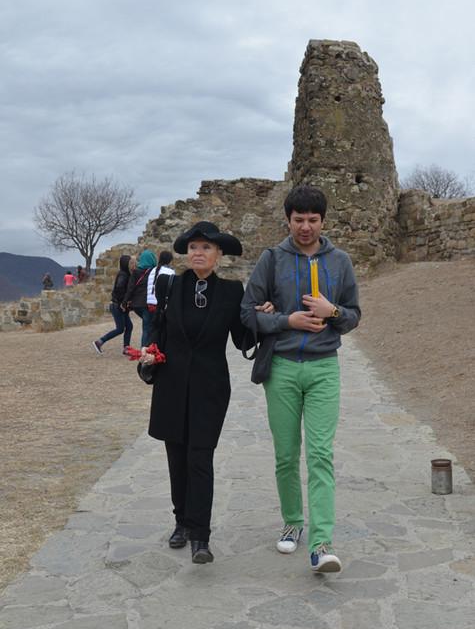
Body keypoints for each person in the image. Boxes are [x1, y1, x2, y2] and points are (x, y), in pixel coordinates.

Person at [241, 184, 361, 574]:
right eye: (298, 220)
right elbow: (247, 312)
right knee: (286, 454)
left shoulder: (340, 261)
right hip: (282, 367)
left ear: (323, 221)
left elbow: (354, 315)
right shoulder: (272, 259)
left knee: (321, 453)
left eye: (312, 220)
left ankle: (321, 543)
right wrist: (285, 320)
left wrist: (333, 311)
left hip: (324, 367)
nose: (305, 227)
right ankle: (292, 521)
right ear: (288, 220)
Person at [140, 222, 250, 564]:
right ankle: (182, 522)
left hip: (209, 388)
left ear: (219, 254)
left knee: (200, 459)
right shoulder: (169, 285)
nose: (198, 253)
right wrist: (148, 353)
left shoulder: (232, 291)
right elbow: (157, 329)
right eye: (193, 247)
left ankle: (201, 536)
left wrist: (261, 318)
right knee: (177, 458)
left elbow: (242, 340)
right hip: (171, 385)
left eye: (206, 247)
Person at [92, 255, 133, 355]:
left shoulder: (126, 274)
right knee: (120, 329)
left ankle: (126, 348)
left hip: (121, 306)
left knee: (129, 326)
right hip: (117, 306)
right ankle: (99, 342)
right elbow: (119, 289)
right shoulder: (123, 275)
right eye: (130, 263)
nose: (132, 265)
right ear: (125, 264)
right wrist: (123, 303)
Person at [122, 249, 157, 347]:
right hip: (147, 304)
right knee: (147, 327)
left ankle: (148, 347)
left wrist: (125, 302)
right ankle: (144, 349)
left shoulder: (136, 272)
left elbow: (130, 288)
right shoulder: (154, 272)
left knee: (148, 325)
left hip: (136, 305)